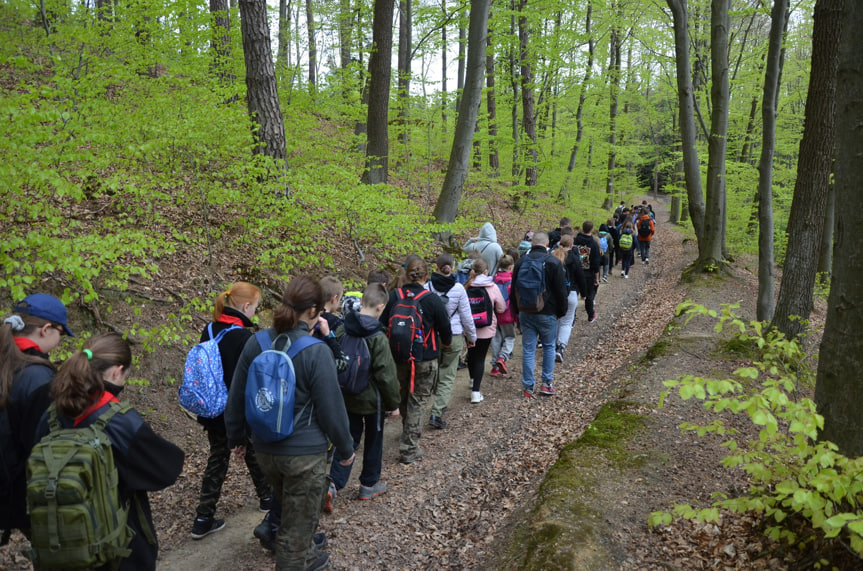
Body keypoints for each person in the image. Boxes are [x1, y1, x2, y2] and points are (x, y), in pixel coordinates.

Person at [225, 277, 355, 571]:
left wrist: (237, 438)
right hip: (304, 455)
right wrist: (346, 449)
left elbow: (237, 395)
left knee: (292, 510)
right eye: (320, 312)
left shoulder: (255, 342)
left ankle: (306, 552)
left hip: (265, 451)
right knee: (295, 531)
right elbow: (331, 410)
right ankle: (299, 557)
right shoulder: (316, 351)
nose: (320, 317)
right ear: (311, 311)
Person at [35, 333, 184, 570]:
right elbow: (167, 468)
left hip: (59, 544)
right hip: (118, 548)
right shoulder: (119, 421)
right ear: (117, 371)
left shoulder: (51, 415)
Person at [190, 283, 272, 540]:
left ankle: (203, 518)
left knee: (218, 458)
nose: (255, 312)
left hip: (211, 408)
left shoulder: (209, 329)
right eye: (256, 307)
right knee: (251, 450)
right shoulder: (244, 338)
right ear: (246, 307)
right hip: (236, 410)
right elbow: (247, 380)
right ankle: (268, 497)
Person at [0, 293, 73, 543]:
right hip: (22, 493)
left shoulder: (6, 362)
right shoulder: (39, 379)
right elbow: (45, 448)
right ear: (45, 329)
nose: (60, 341)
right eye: (61, 334)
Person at [327, 284, 400, 510]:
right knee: (374, 441)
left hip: (347, 397)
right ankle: (368, 485)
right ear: (380, 307)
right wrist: (393, 403)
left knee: (347, 441)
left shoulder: (341, 330)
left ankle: (333, 485)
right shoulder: (377, 337)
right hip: (372, 402)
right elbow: (386, 374)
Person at [380, 256, 453, 464]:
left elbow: (383, 324)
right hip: (425, 358)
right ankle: (409, 448)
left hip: (399, 356)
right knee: (419, 401)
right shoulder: (431, 299)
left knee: (404, 397)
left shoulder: (395, 296)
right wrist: (446, 344)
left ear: (406, 274)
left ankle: (407, 432)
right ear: (425, 276)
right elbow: (445, 328)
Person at [510, 232, 568, 397]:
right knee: (549, 346)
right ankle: (546, 383)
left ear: (532, 243)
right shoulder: (554, 262)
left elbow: (513, 290)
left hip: (525, 311)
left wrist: (517, 312)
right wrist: (561, 312)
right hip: (548, 313)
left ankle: (528, 387)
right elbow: (560, 291)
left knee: (528, 348)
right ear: (548, 243)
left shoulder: (521, 262)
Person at [426, 253, 475, 430]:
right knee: (447, 376)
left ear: (436, 267)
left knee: (434, 369)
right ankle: (436, 412)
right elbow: (467, 318)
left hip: (431, 335)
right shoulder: (459, 289)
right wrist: (472, 337)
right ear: (452, 268)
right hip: (453, 336)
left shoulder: (427, 287)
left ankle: (426, 403)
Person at [463, 258, 506, 404]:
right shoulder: (492, 286)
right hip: (486, 328)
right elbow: (501, 308)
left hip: (468, 328)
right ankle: (475, 392)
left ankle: (472, 379)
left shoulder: (466, 286)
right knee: (480, 358)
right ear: (486, 271)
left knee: (471, 354)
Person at [554, 236, 587, 363]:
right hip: (571, 293)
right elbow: (580, 277)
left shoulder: (554, 256)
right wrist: (584, 293)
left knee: (557, 319)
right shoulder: (574, 258)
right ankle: (560, 347)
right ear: (572, 245)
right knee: (567, 322)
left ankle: (551, 345)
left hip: (556, 293)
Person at [489, 255, 517, 377]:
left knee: (496, 339)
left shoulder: (492, 280)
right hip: (508, 315)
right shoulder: (513, 280)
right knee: (509, 337)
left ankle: (495, 366)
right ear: (511, 267)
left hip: (494, 314)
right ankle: (503, 358)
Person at [574, 221, 602, 323]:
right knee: (589, 296)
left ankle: (572, 318)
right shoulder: (593, 244)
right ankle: (590, 315)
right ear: (592, 230)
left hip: (575, 272)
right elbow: (596, 263)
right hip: (588, 274)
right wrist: (597, 278)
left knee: (573, 295)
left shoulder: (575, 241)